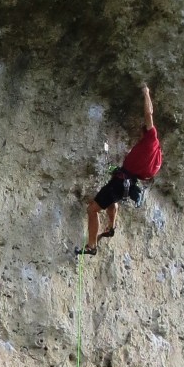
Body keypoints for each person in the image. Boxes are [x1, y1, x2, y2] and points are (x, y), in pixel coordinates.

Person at [75, 84, 162, 256]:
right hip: (127, 184)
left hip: (121, 182)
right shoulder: (156, 154)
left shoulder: (151, 139)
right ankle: (111, 226)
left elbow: (148, 113)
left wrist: (146, 93)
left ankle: (92, 246)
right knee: (112, 200)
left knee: (92, 209)